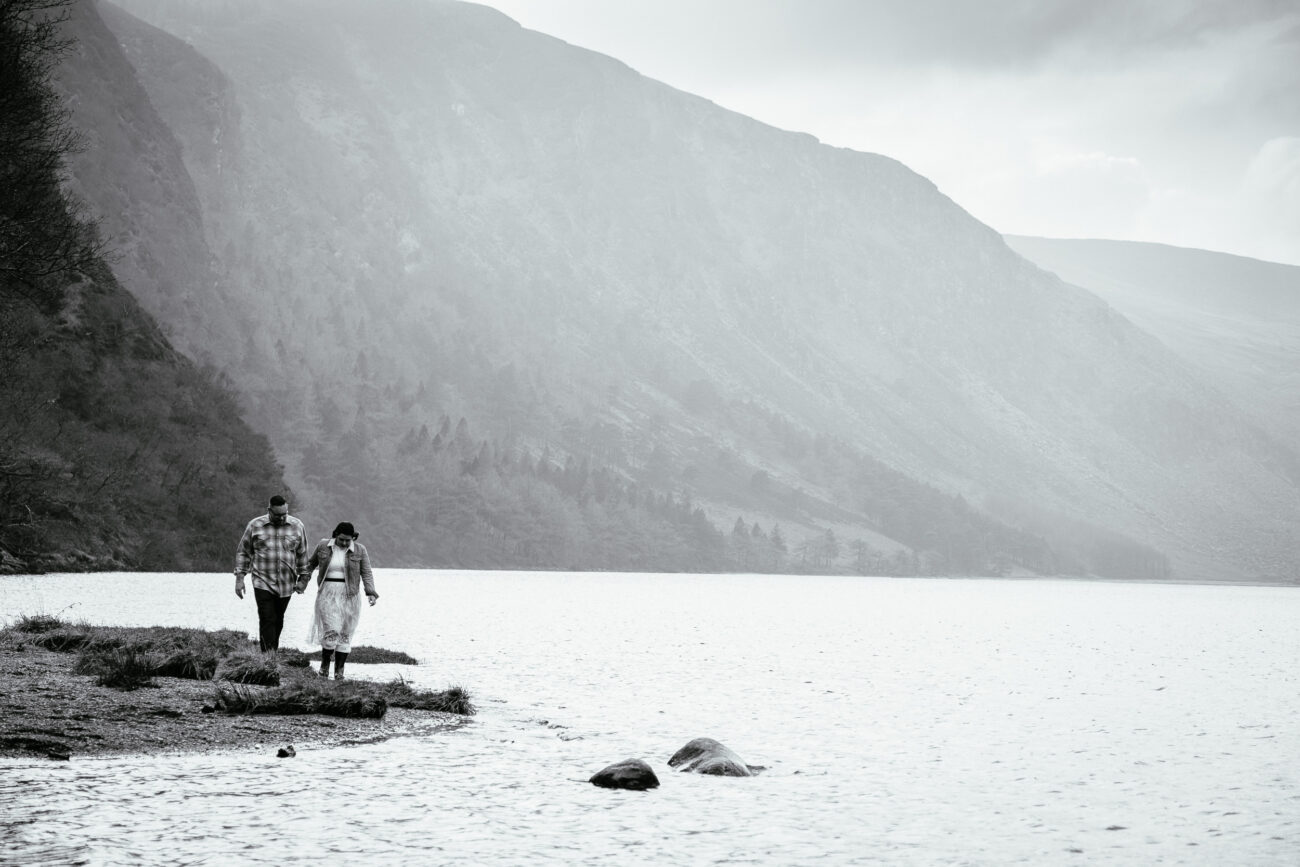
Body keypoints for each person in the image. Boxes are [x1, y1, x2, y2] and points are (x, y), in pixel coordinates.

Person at [300, 522, 378, 679]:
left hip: (350, 596)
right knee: (332, 630)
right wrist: (302, 582)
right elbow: (310, 565)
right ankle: (324, 667)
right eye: (341, 539)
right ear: (335, 535)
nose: (344, 543)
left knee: (345, 633)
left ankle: (339, 672)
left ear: (353, 538)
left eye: (348, 540)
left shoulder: (360, 550)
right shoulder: (323, 546)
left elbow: (366, 572)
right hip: (327, 593)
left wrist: (370, 592)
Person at [234, 495, 310, 652]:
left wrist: (304, 580)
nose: (282, 518)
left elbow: (302, 554)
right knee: (267, 617)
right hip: (262, 581)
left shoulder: (297, 526)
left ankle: (271, 652)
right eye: (278, 515)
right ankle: (268, 656)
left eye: (284, 514)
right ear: (269, 510)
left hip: (287, 583)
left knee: (278, 619)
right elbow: (243, 552)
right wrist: (240, 579)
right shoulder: (255, 525)